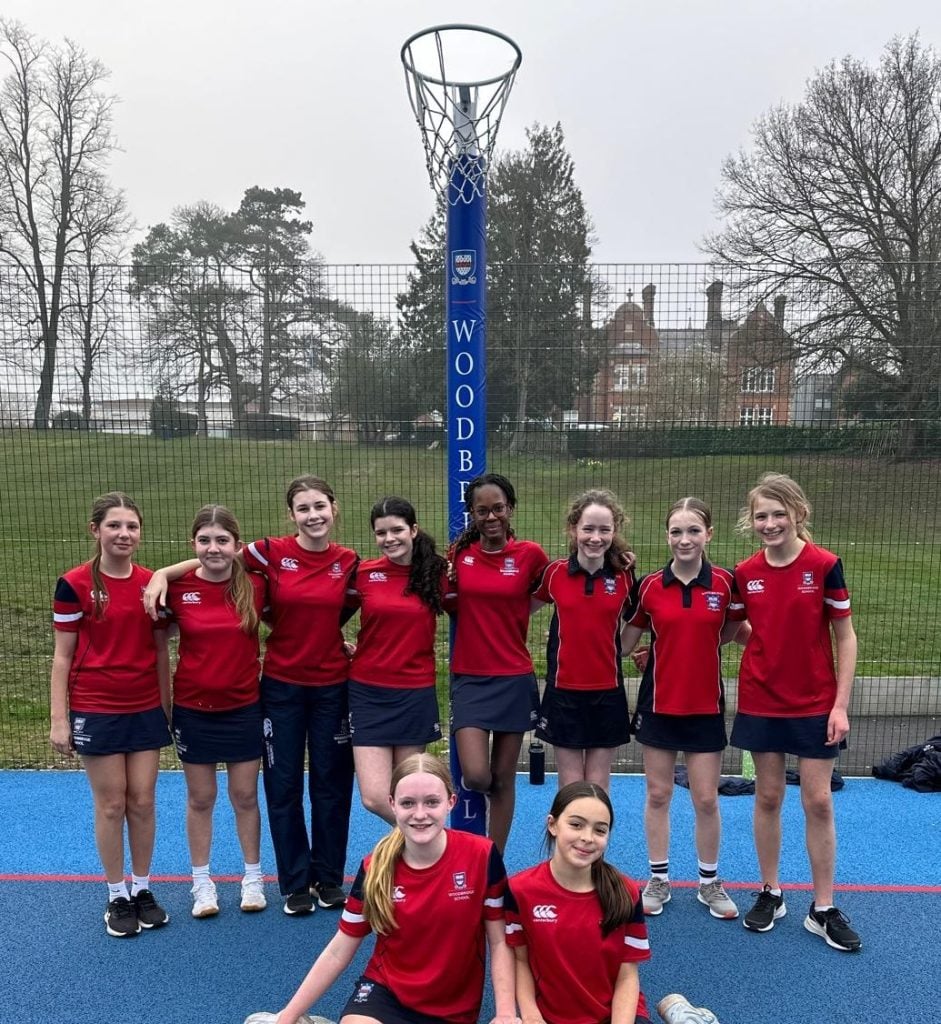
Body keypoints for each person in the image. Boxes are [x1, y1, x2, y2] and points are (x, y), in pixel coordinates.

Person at [145, 475, 357, 916]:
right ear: (291, 514)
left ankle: (328, 879)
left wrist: (345, 643)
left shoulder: (349, 561)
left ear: (334, 508)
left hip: (332, 686)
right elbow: (216, 557)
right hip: (280, 686)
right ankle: (295, 884)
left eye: (320, 506)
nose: (313, 515)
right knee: (283, 785)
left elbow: (359, 606)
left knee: (331, 784)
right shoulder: (268, 552)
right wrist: (163, 573)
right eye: (303, 508)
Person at [249, 753, 518, 1024]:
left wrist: (505, 1014)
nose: (420, 814)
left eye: (432, 802)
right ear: (392, 804)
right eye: (408, 803)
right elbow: (338, 950)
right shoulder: (375, 866)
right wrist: (286, 1017)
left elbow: (499, 941)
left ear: (451, 802)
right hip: (385, 994)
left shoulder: (481, 856)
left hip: (452, 1008)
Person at [730, 472, 861, 952]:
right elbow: (736, 629)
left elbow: (845, 635)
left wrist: (840, 705)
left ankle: (822, 908)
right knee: (767, 797)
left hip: (815, 703)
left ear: (798, 514)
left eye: (778, 514)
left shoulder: (824, 565)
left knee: (818, 801)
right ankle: (771, 892)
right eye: (761, 516)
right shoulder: (745, 572)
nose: (769, 524)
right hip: (761, 700)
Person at [50, 492, 171, 937]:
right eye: (114, 525)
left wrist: (167, 708)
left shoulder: (152, 584)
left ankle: (142, 888)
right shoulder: (74, 584)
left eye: (131, 526)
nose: (124, 534)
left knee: (142, 801)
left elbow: (161, 651)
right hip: (96, 707)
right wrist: (59, 719)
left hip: (145, 707)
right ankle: (116, 894)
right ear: (95, 530)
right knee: (112, 803)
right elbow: (62, 657)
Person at [620, 498, 745, 921]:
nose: (684, 539)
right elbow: (625, 642)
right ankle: (658, 879)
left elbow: (729, 632)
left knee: (706, 798)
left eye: (693, 530)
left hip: (705, 707)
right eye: (676, 531)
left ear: (709, 534)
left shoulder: (726, 584)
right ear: (667, 536)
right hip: (658, 706)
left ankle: (709, 883)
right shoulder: (649, 586)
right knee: (658, 794)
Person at [159, 505, 268, 918]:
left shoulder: (255, 586)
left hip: (244, 708)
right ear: (193, 544)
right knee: (201, 798)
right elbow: (156, 639)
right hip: (193, 709)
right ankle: (202, 884)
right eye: (204, 540)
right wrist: (162, 574)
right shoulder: (177, 589)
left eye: (222, 540)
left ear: (237, 545)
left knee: (245, 796)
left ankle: (252, 878)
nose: (213, 548)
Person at [449, 472, 549, 852]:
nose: (491, 517)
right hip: (470, 678)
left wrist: (519, 613)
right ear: (472, 515)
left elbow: (559, 584)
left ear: (510, 509)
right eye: (482, 511)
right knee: (476, 775)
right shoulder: (458, 556)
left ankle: (494, 862)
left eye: (498, 508)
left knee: (504, 780)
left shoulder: (531, 555)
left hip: (513, 677)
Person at [505, 781, 652, 1024]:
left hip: (614, 1015)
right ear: (552, 825)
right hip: (551, 1017)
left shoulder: (627, 893)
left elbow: (627, 976)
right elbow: (520, 961)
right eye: (576, 825)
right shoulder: (519, 890)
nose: (587, 838)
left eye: (600, 830)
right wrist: (531, 1017)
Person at [346, 497, 447, 824]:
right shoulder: (364, 573)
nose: (389, 538)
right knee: (374, 796)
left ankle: (415, 849)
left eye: (397, 530)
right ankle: (428, 839)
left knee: (408, 793)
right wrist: (337, 644)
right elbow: (324, 615)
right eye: (381, 533)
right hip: (367, 692)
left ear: (413, 530)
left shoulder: (437, 573)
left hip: (413, 694)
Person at [530, 489, 634, 791]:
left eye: (604, 530)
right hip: (563, 693)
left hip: (608, 692)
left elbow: (642, 618)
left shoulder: (625, 576)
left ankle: (598, 826)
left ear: (614, 531)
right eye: (588, 529)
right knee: (571, 784)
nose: (595, 537)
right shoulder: (554, 574)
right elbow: (519, 611)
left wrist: (627, 649)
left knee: (598, 784)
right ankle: (569, 827)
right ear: (573, 529)